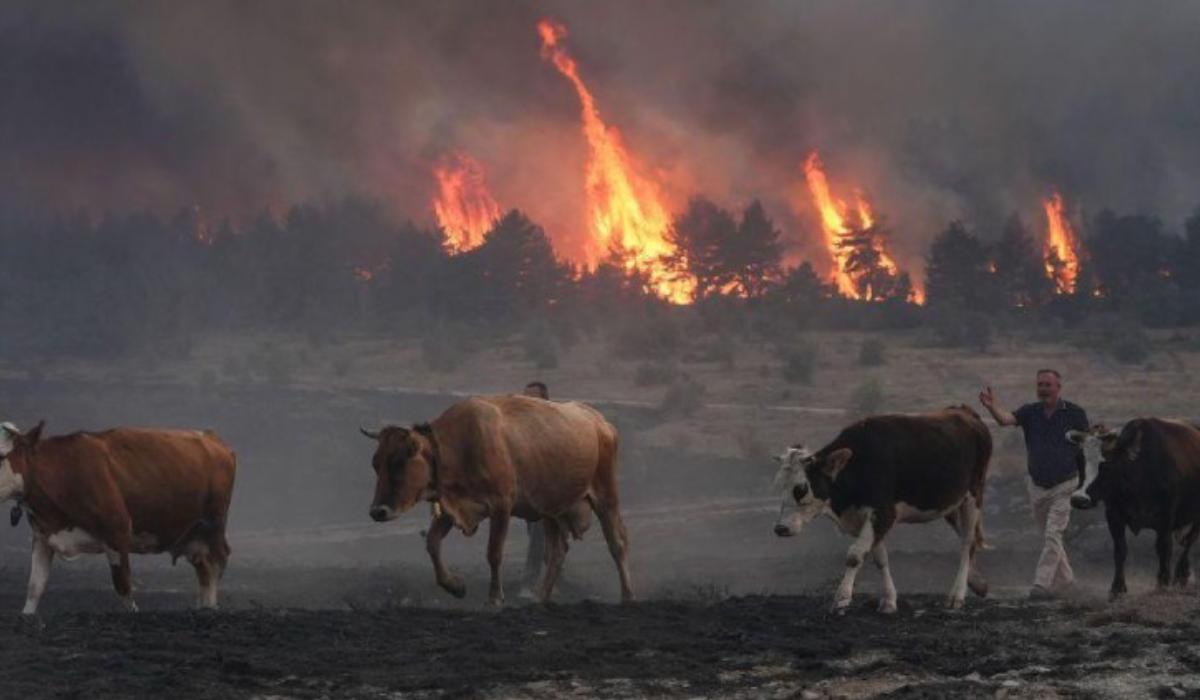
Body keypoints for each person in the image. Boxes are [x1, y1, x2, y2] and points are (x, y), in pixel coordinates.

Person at [979, 369, 1089, 599]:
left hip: (1065, 484)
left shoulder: (1075, 414)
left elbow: (1086, 445)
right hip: (1037, 486)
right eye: (1040, 384)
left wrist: (1084, 481)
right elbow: (1005, 420)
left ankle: (1041, 585)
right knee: (1051, 537)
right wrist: (991, 406)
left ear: (1058, 387)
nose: (1043, 388)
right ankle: (1068, 583)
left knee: (1052, 534)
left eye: (1048, 384)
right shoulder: (1030, 412)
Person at [520, 381, 550, 596]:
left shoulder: (553, 425)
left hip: (553, 490)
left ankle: (529, 583)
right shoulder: (521, 427)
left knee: (539, 533)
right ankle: (557, 576)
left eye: (533, 398)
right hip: (530, 491)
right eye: (525, 397)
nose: (527, 402)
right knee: (537, 533)